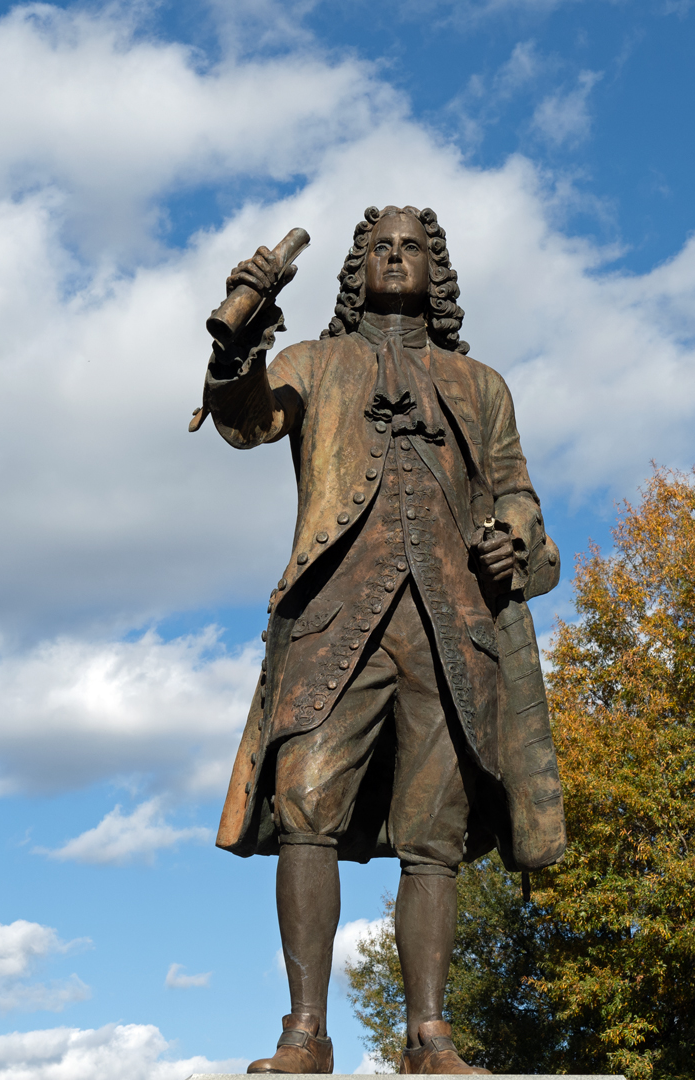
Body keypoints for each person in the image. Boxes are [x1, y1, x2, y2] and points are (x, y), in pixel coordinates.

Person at [200, 205, 564, 1075]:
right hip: (335, 623)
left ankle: (429, 1036)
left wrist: (514, 533)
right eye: (379, 248)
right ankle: (304, 1033)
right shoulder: (314, 363)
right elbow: (246, 420)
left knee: (434, 832)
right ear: (356, 269)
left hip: (450, 631)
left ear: (437, 273)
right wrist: (236, 343)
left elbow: (518, 492)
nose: (395, 259)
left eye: (410, 249)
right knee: (305, 806)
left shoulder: (481, 385)